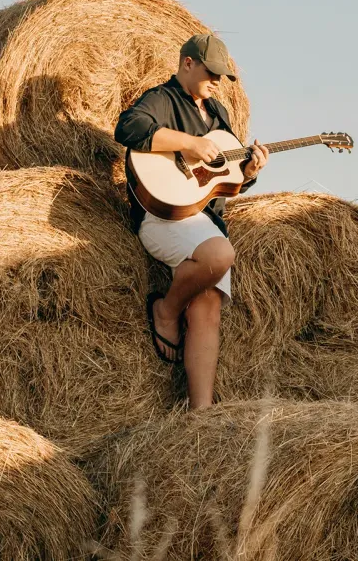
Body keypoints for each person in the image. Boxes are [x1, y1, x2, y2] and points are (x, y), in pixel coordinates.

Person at [114, 33, 268, 410]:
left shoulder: (220, 114)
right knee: (220, 255)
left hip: (205, 219)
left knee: (208, 305)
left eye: (222, 76)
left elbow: (225, 178)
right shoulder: (163, 98)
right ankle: (166, 311)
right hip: (162, 215)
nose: (216, 81)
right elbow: (128, 127)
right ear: (187, 63)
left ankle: (201, 415)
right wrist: (188, 143)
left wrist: (249, 172)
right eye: (211, 72)